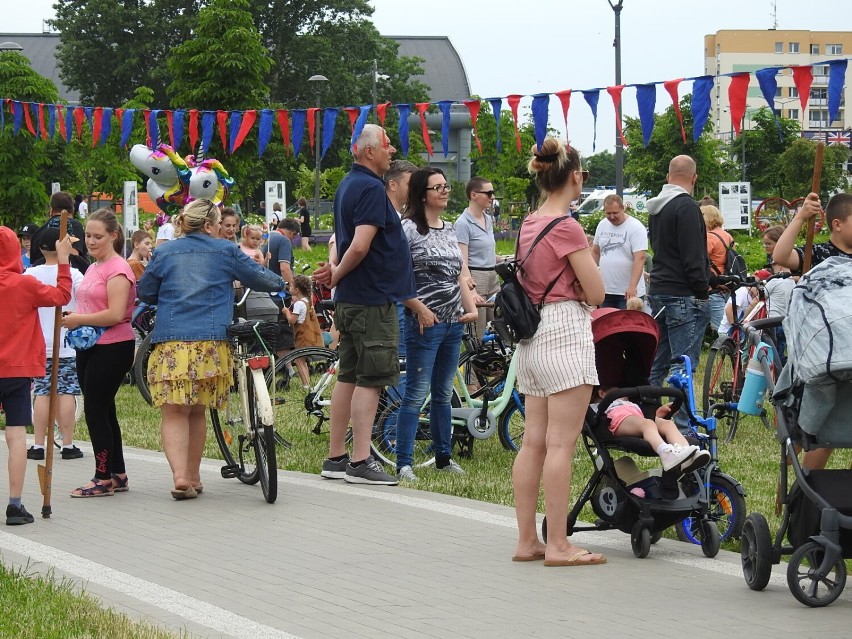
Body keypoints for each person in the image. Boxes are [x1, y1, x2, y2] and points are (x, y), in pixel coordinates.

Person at [138, 199, 285, 499]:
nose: (221, 230)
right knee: (197, 412)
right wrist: (282, 281)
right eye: (219, 225)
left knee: (174, 413)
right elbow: (262, 279)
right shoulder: (226, 251)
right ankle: (193, 476)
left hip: (171, 343)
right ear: (208, 225)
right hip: (211, 344)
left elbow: (145, 291)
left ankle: (180, 477)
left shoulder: (164, 252)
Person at [510, 137, 606, 567]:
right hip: (565, 329)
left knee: (533, 442)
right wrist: (591, 262)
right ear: (574, 176)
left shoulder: (530, 222)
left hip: (531, 339)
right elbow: (598, 293)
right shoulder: (568, 227)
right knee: (561, 444)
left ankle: (527, 540)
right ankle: (559, 545)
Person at [313, 123, 416, 486]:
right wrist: (338, 275)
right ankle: (359, 461)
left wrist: (337, 276)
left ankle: (336, 456)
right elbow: (359, 245)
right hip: (372, 300)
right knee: (371, 380)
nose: (392, 150)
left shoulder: (347, 183)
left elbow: (344, 242)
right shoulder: (372, 188)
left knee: (349, 375)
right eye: (387, 145)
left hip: (355, 299)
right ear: (369, 151)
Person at [395, 168, 478, 482]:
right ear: (422, 194)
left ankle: (444, 456)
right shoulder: (408, 229)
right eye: (437, 187)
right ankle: (404, 463)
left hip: (452, 322)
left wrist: (469, 309)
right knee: (416, 395)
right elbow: (396, 278)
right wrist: (419, 310)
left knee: (443, 393)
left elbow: (459, 273)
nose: (445, 191)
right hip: (423, 324)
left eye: (446, 185)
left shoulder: (448, 229)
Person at [772, 191, 852, 472]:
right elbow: (780, 255)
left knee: (843, 426)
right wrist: (802, 217)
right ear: (838, 224)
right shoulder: (817, 254)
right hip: (823, 356)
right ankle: (801, 488)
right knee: (817, 429)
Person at [60, 208, 137, 498]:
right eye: (88, 236)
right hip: (90, 346)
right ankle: (117, 472)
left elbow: (116, 313)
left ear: (113, 236)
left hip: (113, 346)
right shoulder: (94, 267)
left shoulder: (118, 268)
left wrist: (79, 319)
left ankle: (102, 477)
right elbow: (94, 306)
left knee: (94, 410)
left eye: (98, 236)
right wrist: (77, 315)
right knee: (105, 409)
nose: (91, 241)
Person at [0, 226, 73, 525]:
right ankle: (15, 505)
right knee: (17, 435)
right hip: (17, 371)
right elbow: (61, 296)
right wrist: (65, 260)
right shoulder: (24, 284)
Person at [646, 155, 710, 388]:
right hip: (682, 293)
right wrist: (703, 290)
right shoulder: (687, 207)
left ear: (668, 177)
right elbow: (692, 257)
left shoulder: (656, 209)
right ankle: (683, 424)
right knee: (682, 365)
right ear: (694, 177)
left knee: (657, 363)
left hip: (659, 290)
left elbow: (661, 249)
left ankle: (646, 414)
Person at [24, 228, 86, 461]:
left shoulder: (29, 274)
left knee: (41, 392)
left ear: (40, 248)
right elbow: (85, 297)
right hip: (67, 344)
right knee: (66, 392)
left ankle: (38, 445)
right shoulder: (74, 274)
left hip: (39, 344)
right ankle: (68, 444)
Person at [593, 388, 710, 474]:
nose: (625, 395)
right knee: (647, 424)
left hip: (639, 420)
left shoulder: (627, 402)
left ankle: (686, 455)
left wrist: (657, 414)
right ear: (602, 393)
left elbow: (642, 416)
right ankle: (667, 455)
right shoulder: (600, 405)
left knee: (667, 424)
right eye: (620, 391)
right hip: (618, 422)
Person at [455, 176, 502, 339]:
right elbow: (462, 260)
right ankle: (476, 362)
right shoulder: (463, 223)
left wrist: (507, 260)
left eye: (493, 193)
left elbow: (486, 252)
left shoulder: (488, 219)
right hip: (476, 277)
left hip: (492, 276)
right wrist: (471, 290)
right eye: (488, 193)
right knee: (478, 329)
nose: (492, 197)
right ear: (473, 195)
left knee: (501, 322)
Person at [384, 159, 418, 359]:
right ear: (393, 184)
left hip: (397, 297)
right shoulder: (391, 218)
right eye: (410, 184)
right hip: (396, 299)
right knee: (401, 361)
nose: (414, 190)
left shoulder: (398, 216)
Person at [591, 194, 648, 310]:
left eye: (615, 213)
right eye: (608, 213)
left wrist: (632, 286)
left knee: (628, 326)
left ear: (623, 208)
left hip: (628, 293)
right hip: (606, 290)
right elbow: (596, 252)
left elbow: (640, 258)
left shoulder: (636, 227)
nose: (612, 217)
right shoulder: (602, 225)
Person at [29, 191, 89, 273]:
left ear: (51, 210)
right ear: (73, 210)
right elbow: (74, 256)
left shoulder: (38, 232)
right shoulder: (75, 225)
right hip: (68, 278)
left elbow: (33, 263)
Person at [283, 274, 325, 387]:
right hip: (309, 336)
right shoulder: (307, 301)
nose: (289, 288)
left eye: (291, 286)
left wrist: (286, 311)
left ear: (296, 290)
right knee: (302, 360)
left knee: (298, 360)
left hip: (302, 337)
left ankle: (306, 384)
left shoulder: (298, 304)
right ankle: (307, 383)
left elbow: (292, 320)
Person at [267, 217, 300, 358]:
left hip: (266, 291)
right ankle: (288, 367)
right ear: (293, 233)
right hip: (280, 293)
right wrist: (293, 290)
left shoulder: (269, 237)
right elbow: (285, 269)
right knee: (284, 332)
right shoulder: (284, 240)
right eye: (294, 238)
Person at [702, 204, 735, 332]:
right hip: (725, 283)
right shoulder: (727, 236)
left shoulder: (709, 237)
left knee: (721, 328)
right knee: (727, 323)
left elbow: (701, 261)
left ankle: (733, 350)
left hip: (713, 286)